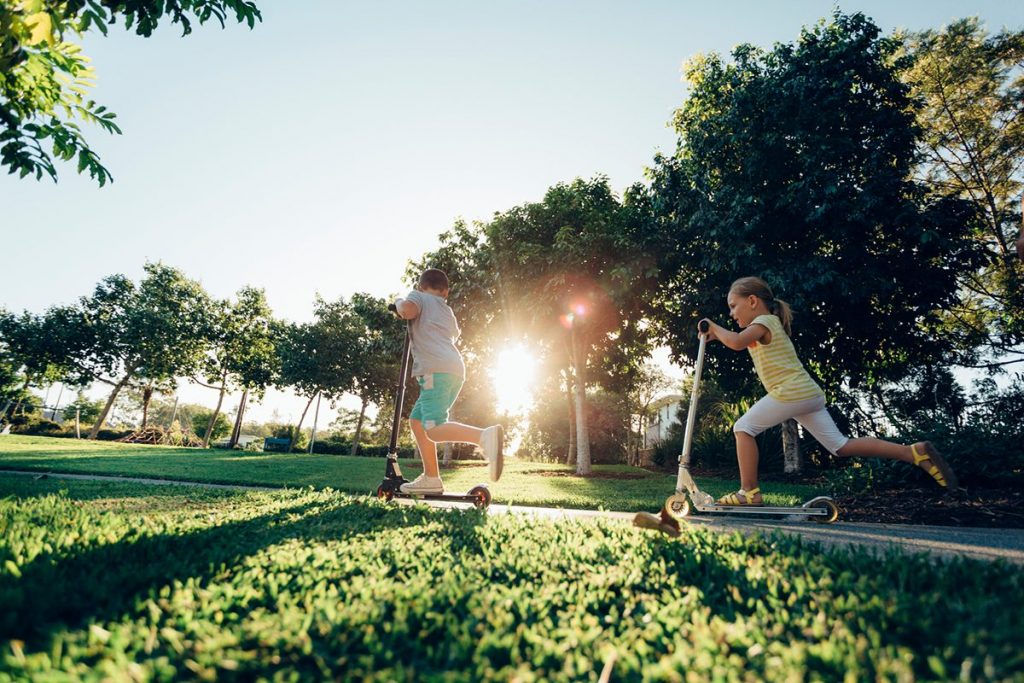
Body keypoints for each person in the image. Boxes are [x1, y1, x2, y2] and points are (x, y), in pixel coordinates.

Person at [698, 276, 957, 505]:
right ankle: (912, 452)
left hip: (792, 391)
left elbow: (736, 342)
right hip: (805, 394)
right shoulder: (767, 324)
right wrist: (717, 335)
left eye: (733, 306)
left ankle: (749, 492)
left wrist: (713, 327)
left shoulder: (764, 321)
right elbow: (736, 339)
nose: (732, 314)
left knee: (743, 428)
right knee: (840, 446)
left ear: (752, 300)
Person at [392, 268, 503, 494]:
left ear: (422, 286)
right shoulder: (446, 310)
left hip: (435, 370)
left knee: (433, 428)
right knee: (417, 422)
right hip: (453, 369)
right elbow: (451, 333)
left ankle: (485, 436)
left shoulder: (418, 296)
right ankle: (431, 478)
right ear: (446, 292)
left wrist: (397, 302)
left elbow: (407, 310)